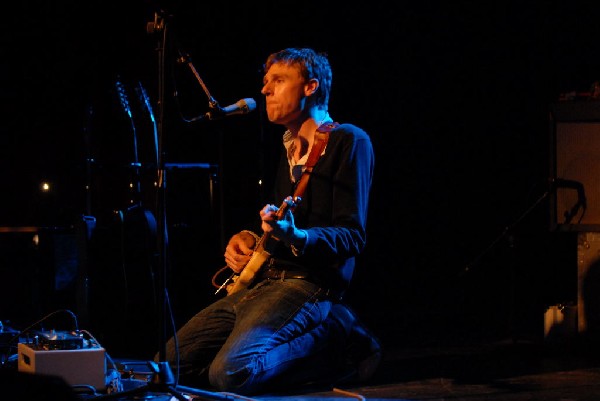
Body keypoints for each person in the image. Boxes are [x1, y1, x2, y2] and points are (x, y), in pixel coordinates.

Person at [159, 47, 380, 395]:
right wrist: (247, 236)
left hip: (308, 285)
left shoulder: (349, 140)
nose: (265, 90)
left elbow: (352, 235)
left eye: (278, 80)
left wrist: (298, 236)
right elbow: (280, 221)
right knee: (168, 365)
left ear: (310, 87)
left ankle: (339, 332)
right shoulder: (286, 148)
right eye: (265, 81)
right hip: (264, 283)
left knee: (230, 374)